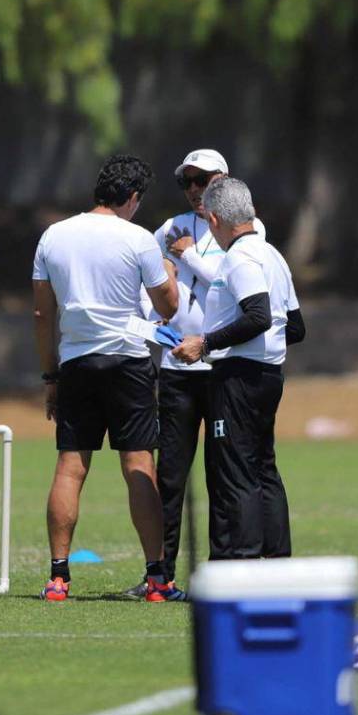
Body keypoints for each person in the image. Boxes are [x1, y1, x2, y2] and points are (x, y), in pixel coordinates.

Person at [32, 154, 184, 602]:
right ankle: (157, 578)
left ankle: (58, 578)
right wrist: (169, 271)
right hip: (127, 362)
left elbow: (43, 314)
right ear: (133, 197)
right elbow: (168, 307)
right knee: (138, 465)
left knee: (70, 466)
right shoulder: (138, 238)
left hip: (77, 361)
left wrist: (50, 376)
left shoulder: (53, 235)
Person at [122, 149, 269, 597]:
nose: (194, 189)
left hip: (222, 365)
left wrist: (186, 257)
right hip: (176, 368)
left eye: (202, 180)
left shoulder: (248, 229)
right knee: (170, 475)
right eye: (186, 181)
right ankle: (160, 574)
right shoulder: (169, 228)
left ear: (222, 179)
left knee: (223, 473)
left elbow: (228, 281)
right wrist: (154, 323)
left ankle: (219, 573)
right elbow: (149, 285)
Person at [172, 176, 305, 560]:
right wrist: (264, 347)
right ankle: (275, 562)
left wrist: (205, 343)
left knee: (236, 472)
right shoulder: (273, 255)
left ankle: (242, 563)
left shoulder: (240, 258)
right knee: (264, 469)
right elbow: (294, 327)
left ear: (214, 219)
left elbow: (258, 315)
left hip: (238, 379)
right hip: (267, 376)